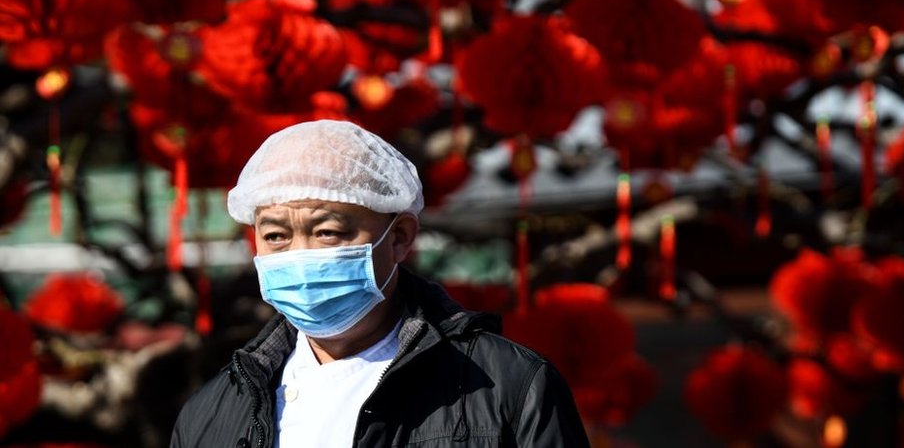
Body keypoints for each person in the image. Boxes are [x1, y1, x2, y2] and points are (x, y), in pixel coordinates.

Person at [170, 119, 590, 447]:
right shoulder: (215, 410)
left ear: (401, 236)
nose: (301, 256)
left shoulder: (506, 386)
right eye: (276, 236)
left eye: (328, 232)